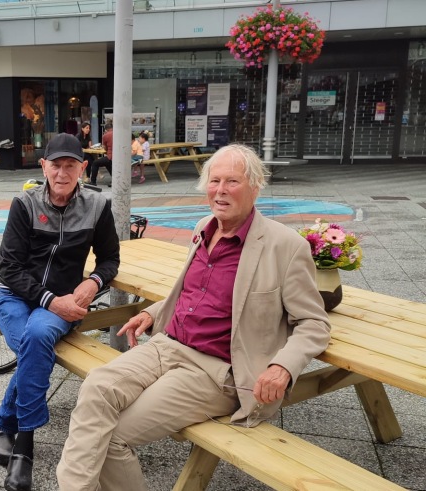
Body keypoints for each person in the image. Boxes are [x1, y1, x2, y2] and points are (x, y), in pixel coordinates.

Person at [56, 144, 331, 491]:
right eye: (214, 180)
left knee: (109, 436)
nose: (220, 190)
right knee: (97, 387)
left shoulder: (285, 246)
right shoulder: (204, 226)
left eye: (233, 181)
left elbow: (314, 323)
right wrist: (153, 311)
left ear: (255, 186)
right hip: (167, 344)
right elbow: (195, 291)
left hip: (215, 370)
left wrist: (284, 366)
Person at [0, 133, 120, 491]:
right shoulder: (25, 203)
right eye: (55, 165)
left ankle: (18, 438)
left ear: (83, 168)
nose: (62, 173)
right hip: (16, 297)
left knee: (36, 337)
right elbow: (10, 269)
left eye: (70, 166)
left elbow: (111, 259)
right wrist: (51, 301)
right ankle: (15, 431)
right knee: (35, 347)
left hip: (67, 301)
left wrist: (93, 282)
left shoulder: (97, 205)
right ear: (44, 166)